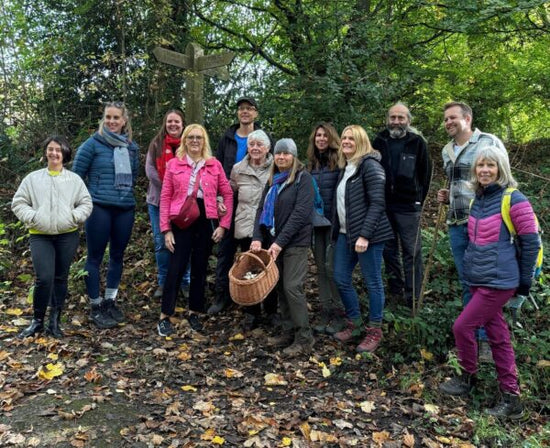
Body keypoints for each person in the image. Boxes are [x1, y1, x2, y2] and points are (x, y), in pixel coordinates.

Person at [439, 146, 540, 419]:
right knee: (498, 336)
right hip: (478, 279)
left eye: (490, 166)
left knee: (462, 327)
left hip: (500, 281)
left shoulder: (514, 199)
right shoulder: (477, 200)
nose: (484, 170)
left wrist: (525, 280)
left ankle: (467, 378)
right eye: (480, 166)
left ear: (501, 169)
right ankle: (511, 398)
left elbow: (531, 241)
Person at [437, 101, 508, 360]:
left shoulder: (488, 142)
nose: (448, 123)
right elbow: (458, 181)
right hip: (457, 224)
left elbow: (504, 180)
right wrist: (447, 195)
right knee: (468, 281)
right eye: (445, 119)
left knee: (485, 283)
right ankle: (470, 341)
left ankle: (487, 340)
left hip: (485, 223)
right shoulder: (447, 150)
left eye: (452, 118)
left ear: (467, 118)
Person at [12, 136, 92, 338]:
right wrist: (33, 217)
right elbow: (19, 202)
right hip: (40, 236)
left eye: (59, 150)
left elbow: (86, 203)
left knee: (60, 278)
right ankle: (37, 321)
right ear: (46, 152)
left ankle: (54, 322)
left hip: (67, 235)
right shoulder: (33, 179)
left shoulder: (74, 180)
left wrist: (74, 217)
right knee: (44, 278)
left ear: (65, 154)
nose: (54, 153)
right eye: (51, 149)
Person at [157, 124, 233, 336]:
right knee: (176, 266)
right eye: (190, 137)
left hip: (206, 218)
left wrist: (224, 225)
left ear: (204, 141)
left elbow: (227, 193)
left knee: (200, 268)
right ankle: (165, 315)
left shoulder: (214, 165)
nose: (195, 141)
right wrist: (166, 230)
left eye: (199, 137)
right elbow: (165, 198)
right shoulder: (174, 164)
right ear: (185, 140)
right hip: (181, 219)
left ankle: (194, 312)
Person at [73, 101, 139, 329]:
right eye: (108, 117)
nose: (111, 121)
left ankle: (110, 300)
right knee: (94, 257)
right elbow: (76, 177)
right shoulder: (92, 144)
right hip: (98, 207)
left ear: (124, 121)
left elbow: (135, 177)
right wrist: (84, 202)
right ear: (103, 119)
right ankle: (95, 304)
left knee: (117, 256)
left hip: (125, 208)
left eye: (116, 118)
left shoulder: (132, 147)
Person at [209, 97, 274, 315]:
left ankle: (257, 298)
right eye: (241, 109)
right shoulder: (228, 137)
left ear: (256, 113)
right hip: (231, 196)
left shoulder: (262, 138)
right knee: (226, 250)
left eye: (249, 109)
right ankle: (223, 295)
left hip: (258, 201)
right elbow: (217, 167)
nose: (244, 112)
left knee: (254, 251)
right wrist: (219, 197)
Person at [332, 125, 393, 353]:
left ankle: (375, 330)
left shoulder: (370, 166)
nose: (346, 141)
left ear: (361, 142)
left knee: (373, 282)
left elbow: (378, 203)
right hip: (345, 235)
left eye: (352, 138)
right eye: (344, 137)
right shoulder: (346, 168)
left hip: (370, 236)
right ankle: (355, 323)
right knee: (340, 277)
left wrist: (365, 235)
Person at [251, 138, 314, 356]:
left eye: (286, 154)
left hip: (295, 243)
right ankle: (288, 331)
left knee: (292, 286)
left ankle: (304, 337)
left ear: (294, 156)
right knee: (280, 287)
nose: (281, 157)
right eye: (278, 154)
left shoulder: (303, 179)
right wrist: (257, 237)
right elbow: (260, 210)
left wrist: (279, 242)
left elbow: (300, 214)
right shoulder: (272, 181)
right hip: (273, 243)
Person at [373, 103, 432, 307]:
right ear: (387, 119)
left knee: (411, 252)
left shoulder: (417, 142)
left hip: (408, 207)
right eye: (393, 117)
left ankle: (413, 297)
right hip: (384, 206)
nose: (396, 121)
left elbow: (426, 175)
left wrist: (417, 200)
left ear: (408, 120)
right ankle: (395, 292)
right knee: (388, 251)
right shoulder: (379, 141)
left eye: (401, 118)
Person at [229, 130, 277, 330]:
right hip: (246, 226)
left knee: (269, 270)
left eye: (260, 145)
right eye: (252, 144)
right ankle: (251, 312)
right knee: (248, 270)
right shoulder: (238, 169)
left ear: (267, 148)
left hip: (269, 227)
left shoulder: (277, 167)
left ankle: (272, 311)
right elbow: (229, 192)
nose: (255, 148)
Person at [145, 109, 190, 299]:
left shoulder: (190, 144)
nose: (173, 125)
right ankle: (164, 282)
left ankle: (185, 281)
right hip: (158, 202)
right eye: (170, 121)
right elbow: (150, 170)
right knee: (161, 243)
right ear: (165, 123)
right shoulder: (156, 144)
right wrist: (170, 187)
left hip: (185, 204)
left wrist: (181, 190)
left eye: (177, 122)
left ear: (183, 124)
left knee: (185, 242)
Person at [306, 122, 345, 334]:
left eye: (325, 135)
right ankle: (325, 311)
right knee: (320, 268)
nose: (321, 139)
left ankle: (340, 314)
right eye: (318, 135)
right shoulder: (310, 165)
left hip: (335, 223)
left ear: (331, 138)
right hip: (316, 224)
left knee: (332, 269)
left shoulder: (339, 162)